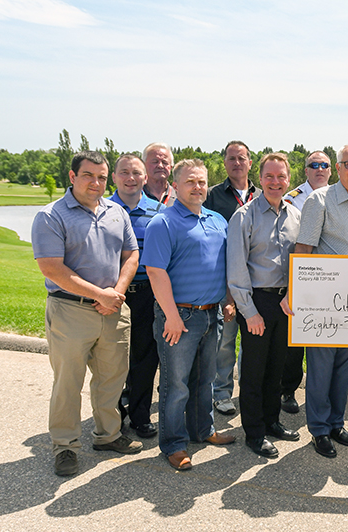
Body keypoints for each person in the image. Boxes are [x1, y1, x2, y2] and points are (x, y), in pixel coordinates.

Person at [32, 150, 143, 477]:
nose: (95, 183)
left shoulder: (116, 212)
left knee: (112, 379)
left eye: (101, 176)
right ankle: (65, 446)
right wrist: (100, 294)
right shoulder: (51, 216)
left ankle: (107, 435)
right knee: (68, 382)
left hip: (114, 309)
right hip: (70, 310)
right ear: (72, 176)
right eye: (88, 175)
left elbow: (132, 254)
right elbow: (51, 267)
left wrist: (117, 293)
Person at [142, 159, 237, 471]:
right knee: (176, 385)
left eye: (202, 182)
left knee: (205, 380)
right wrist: (171, 316)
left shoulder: (217, 220)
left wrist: (226, 299)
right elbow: (155, 272)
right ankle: (173, 444)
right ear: (176, 184)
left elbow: (222, 265)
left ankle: (203, 430)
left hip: (212, 315)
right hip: (179, 317)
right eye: (190, 182)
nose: (198, 187)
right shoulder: (163, 222)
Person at [292, 142, 348, 458]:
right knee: (321, 369)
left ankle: (335, 423)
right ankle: (318, 430)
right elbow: (303, 250)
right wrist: (296, 293)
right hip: (325, 302)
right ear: (339, 167)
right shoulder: (319, 200)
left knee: (344, 369)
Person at [227, 152, 301, 458]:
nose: (275, 182)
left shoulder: (295, 216)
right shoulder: (243, 217)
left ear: (288, 180)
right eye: (269, 176)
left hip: (287, 302)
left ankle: (272, 421)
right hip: (257, 300)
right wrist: (250, 312)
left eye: (281, 176)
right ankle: (254, 432)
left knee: (276, 368)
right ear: (260, 179)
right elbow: (236, 269)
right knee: (254, 372)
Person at [204, 140, 263, 416]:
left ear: (250, 162)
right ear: (225, 163)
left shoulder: (263, 195)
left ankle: (249, 392)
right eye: (231, 158)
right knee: (225, 341)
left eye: (242, 158)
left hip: (258, 284)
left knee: (251, 343)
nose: (237, 163)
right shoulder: (213, 197)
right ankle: (222, 392)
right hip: (225, 282)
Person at [109, 154, 162, 439]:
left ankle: (140, 414)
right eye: (124, 172)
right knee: (113, 358)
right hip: (111, 295)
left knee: (144, 358)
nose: (131, 178)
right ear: (114, 177)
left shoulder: (158, 212)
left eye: (136, 173)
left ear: (145, 177)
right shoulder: (101, 209)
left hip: (146, 294)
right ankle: (112, 416)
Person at [280, 150, 333, 415]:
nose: (320, 169)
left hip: (330, 279)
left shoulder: (336, 196)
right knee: (296, 340)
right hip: (302, 276)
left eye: (325, 165)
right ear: (306, 170)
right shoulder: (293, 199)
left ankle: (321, 391)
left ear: (331, 170)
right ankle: (288, 389)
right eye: (315, 165)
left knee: (324, 336)